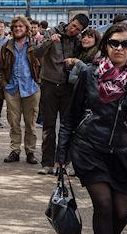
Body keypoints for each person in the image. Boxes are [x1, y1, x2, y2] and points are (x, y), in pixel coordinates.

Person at [56, 23, 127, 234]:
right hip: (90, 149)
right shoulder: (89, 75)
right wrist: (61, 154)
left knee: (121, 213)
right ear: (106, 46)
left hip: (123, 154)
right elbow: (70, 116)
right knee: (103, 205)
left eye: (125, 44)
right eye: (114, 43)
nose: (119, 49)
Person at [34, 13, 89, 174]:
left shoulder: (79, 40)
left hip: (69, 86)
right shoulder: (52, 32)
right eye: (73, 26)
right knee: (48, 125)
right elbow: (37, 53)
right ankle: (47, 163)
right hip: (50, 83)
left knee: (67, 126)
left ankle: (64, 162)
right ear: (70, 21)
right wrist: (50, 41)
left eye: (77, 29)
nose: (73, 30)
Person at [0, 16, 40, 165]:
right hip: (12, 89)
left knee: (30, 123)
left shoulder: (35, 45)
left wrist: (38, 82)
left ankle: (30, 152)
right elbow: (2, 67)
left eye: (21, 27)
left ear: (26, 29)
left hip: (31, 88)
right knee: (14, 122)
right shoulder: (6, 46)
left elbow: (42, 64)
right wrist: (4, 84)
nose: (17, 29)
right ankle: (15, 150)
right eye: (15, 27)